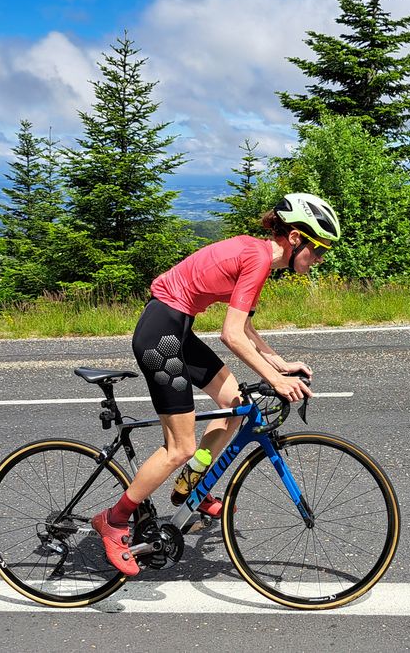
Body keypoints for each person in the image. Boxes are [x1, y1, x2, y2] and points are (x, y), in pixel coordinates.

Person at [91, 192, 342, 576]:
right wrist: (274, 379)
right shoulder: (258, 259)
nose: (321, 259)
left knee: (235, 404)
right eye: (319, 249)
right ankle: (114, 519)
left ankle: (191, 484)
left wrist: (278, 362)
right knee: (180, 446)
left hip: (176, 327)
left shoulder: (260, 257)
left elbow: (246, 327)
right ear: (294, 238)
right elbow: (231, 335)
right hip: (161, 332)